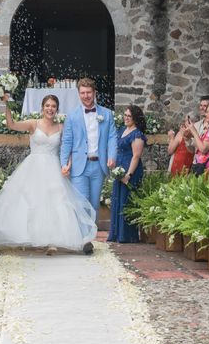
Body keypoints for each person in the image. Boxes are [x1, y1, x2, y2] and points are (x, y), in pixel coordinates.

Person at [0, 93, 97, 255]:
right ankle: (34, 237)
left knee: (56, 202)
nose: (50, 109)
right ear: (42, 108)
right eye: (47, 106)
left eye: (53, 106)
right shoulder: (33, 124)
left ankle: (52, 241)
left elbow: (69, 147)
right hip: (33, 167)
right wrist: (7, 105)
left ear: (57, 109)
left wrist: (68, 165)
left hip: (53, 167)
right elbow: (11, 125)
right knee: (32, 202)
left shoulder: (61, 127)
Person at [60, 77, 118, 219]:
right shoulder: (72, 116)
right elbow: (66, 141)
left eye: (89, 92)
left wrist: (112, 156)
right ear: (79, 94)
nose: (86, 96)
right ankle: (82, 238)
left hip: (99, 165)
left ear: (94, 93)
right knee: (81, 203)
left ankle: (91, 236)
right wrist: (63, 163)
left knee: (94, 204)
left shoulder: (106, 114)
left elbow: (112, 137)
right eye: (83, 93)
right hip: (79, 166)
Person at [108, 105, 147, 243]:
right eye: (125, 115)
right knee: (118, 199)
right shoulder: (122, 130)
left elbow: (136, 156)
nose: (126, 118)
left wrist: (128, 175)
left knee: (126, 201)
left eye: (129, 116)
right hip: (120, 169)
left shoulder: (137, 134)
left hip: (130, 170)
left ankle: (127, 235)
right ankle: (117, 233)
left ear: (135, 118)